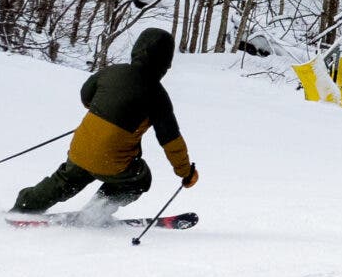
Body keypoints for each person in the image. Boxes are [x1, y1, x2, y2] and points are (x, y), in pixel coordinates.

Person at [11, 27, 200, 217]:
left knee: (66, 179)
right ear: (165, 63)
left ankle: (26, 205)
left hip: (81, 146)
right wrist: (185, 173)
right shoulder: (158, 97)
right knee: (140, 178)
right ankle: (96, 212)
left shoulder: (113, 71)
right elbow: (171, 141)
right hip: (112, 161)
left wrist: (105, 111)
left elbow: (86, 95)